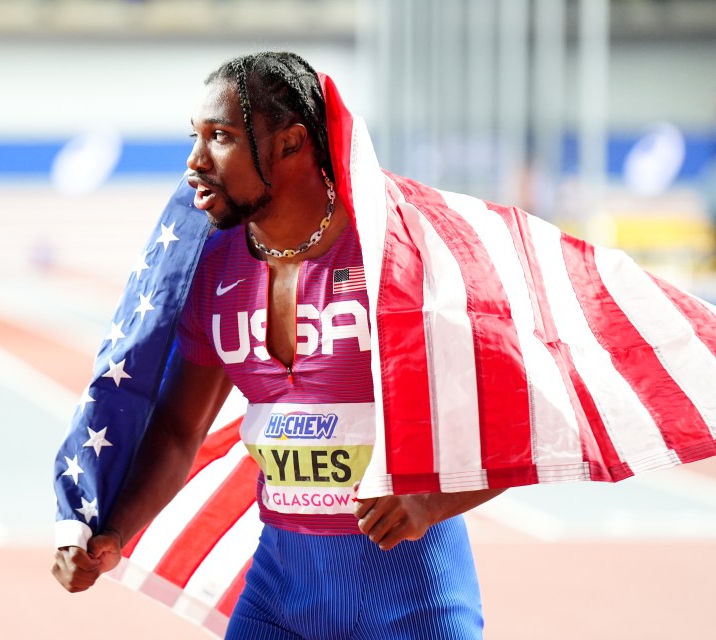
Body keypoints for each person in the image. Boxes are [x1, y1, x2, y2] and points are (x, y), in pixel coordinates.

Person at [51, 52, 503, 638]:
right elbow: (178, 430)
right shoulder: (216, 266)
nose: (194, 162)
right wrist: (114, 531)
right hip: (279, 594)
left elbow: (521, 406)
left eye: (221, 138)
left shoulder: (397, 251)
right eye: (196, 137)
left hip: (410, 597)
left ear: (291, 144)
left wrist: (431, 504)